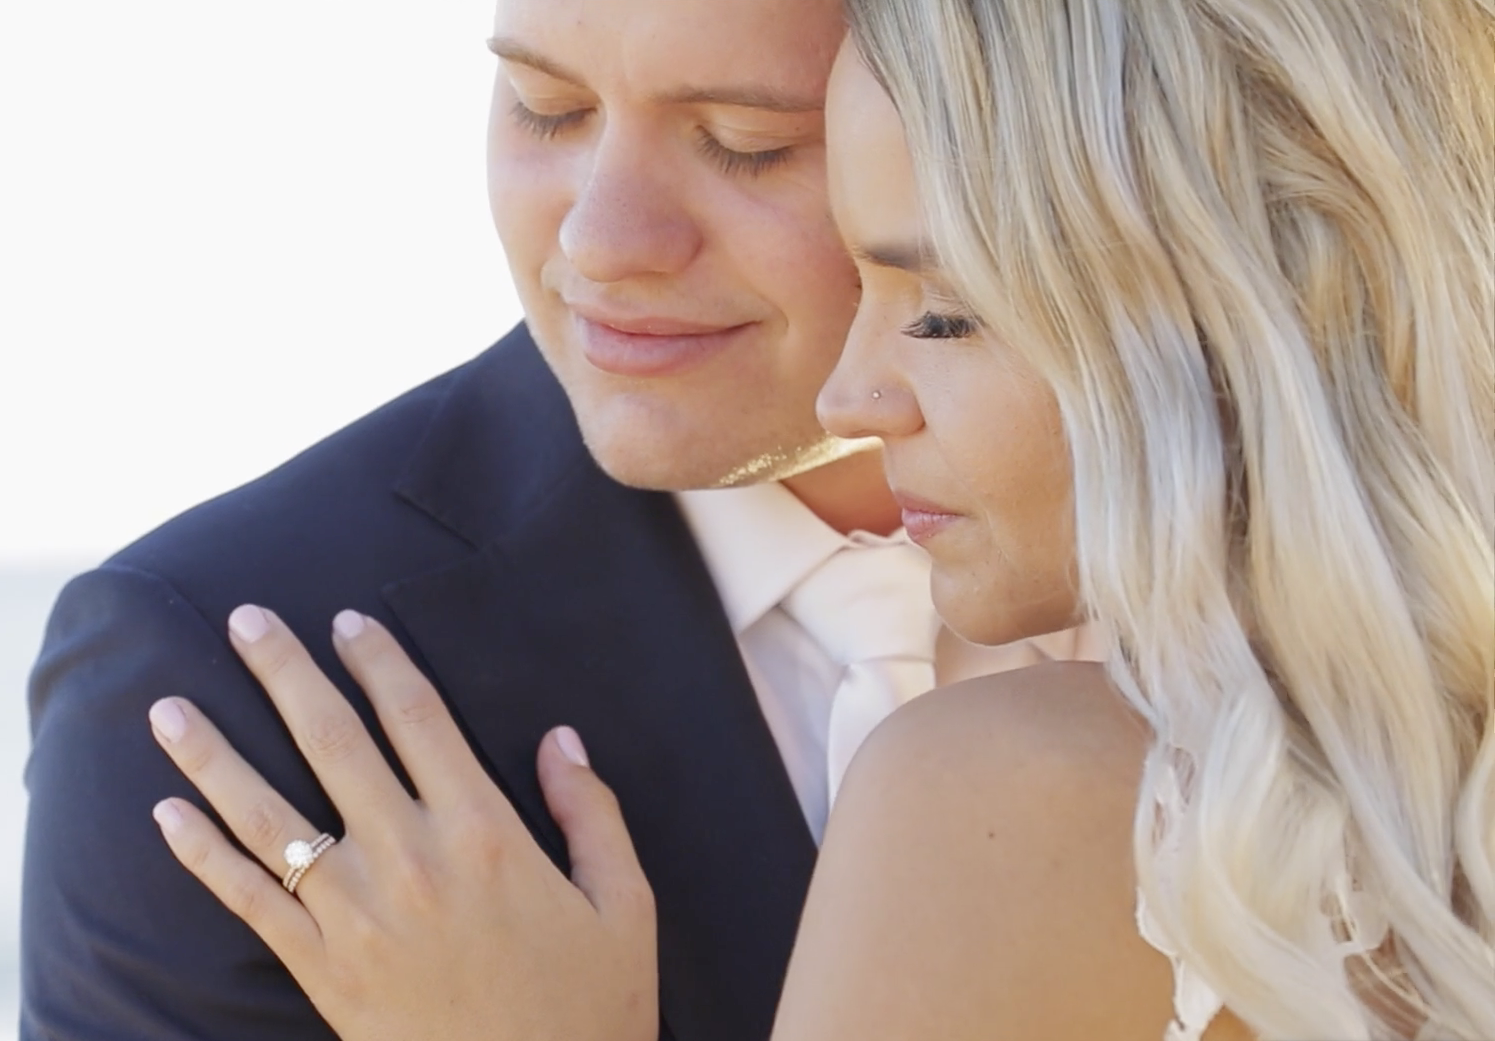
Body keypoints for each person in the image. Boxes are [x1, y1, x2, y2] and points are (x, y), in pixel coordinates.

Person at [143, 0, 1495, 1038]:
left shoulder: (998, 792)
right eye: (540, 105)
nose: (858, 383)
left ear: (1238, 315)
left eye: (942, 309)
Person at [19, 0, 1094, 1037]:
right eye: (546, 106)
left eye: (744, 141)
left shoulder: (1247, 560)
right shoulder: (220, 674)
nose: (600, 239)